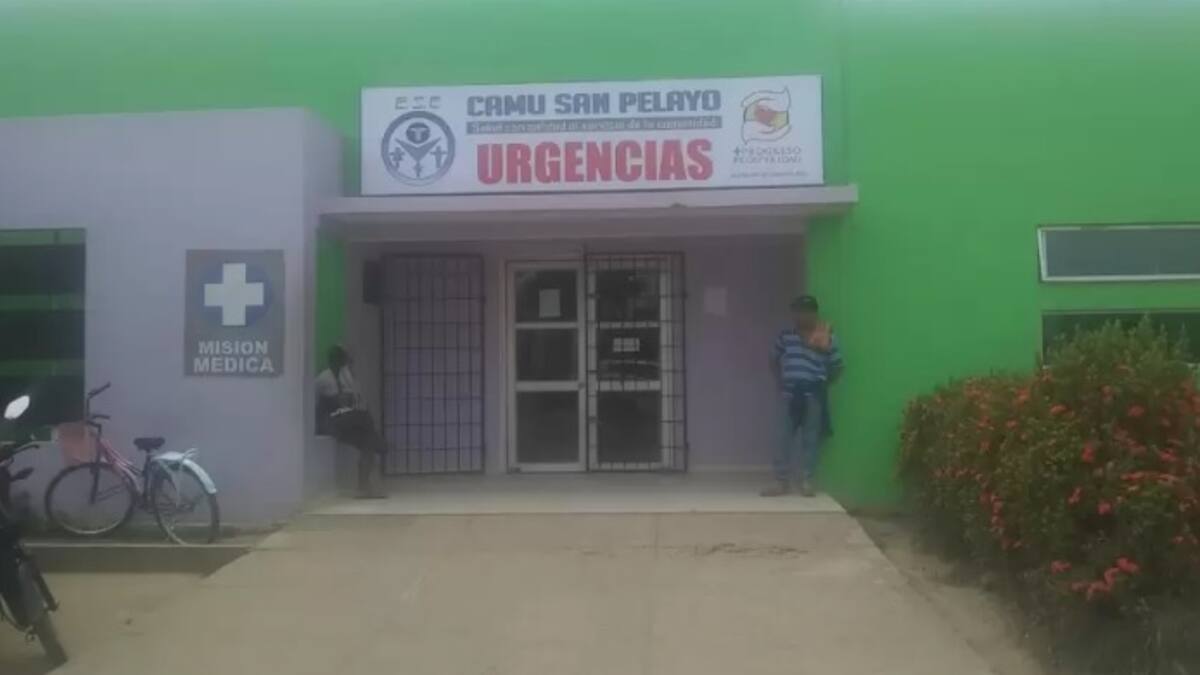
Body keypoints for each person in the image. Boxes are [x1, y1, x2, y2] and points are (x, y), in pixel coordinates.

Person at [762, 295, 843, 497]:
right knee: (783, 437)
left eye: (805, 311)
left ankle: (807, 481)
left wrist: (823, 384)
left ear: (814, 313)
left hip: (813, 395)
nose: (801, 315)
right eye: (797, 311)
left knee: (810, 439)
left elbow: (838, 366)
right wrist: (780, 381)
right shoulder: (785, 336)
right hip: (789, 394)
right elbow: (773, 359)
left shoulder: (826, 337)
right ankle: (781, 482)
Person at [316, 345, 385, 499]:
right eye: (344, 360)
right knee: (364, 418)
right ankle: (380, 445)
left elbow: (351, 399)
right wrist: (348, 401)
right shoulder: (324, 378)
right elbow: (335, 403)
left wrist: (350, 399)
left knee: (368, 442)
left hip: (342, 420)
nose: (345, 363)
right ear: (336, 360)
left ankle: (363, 487)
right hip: (329, 422)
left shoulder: (343, 376)